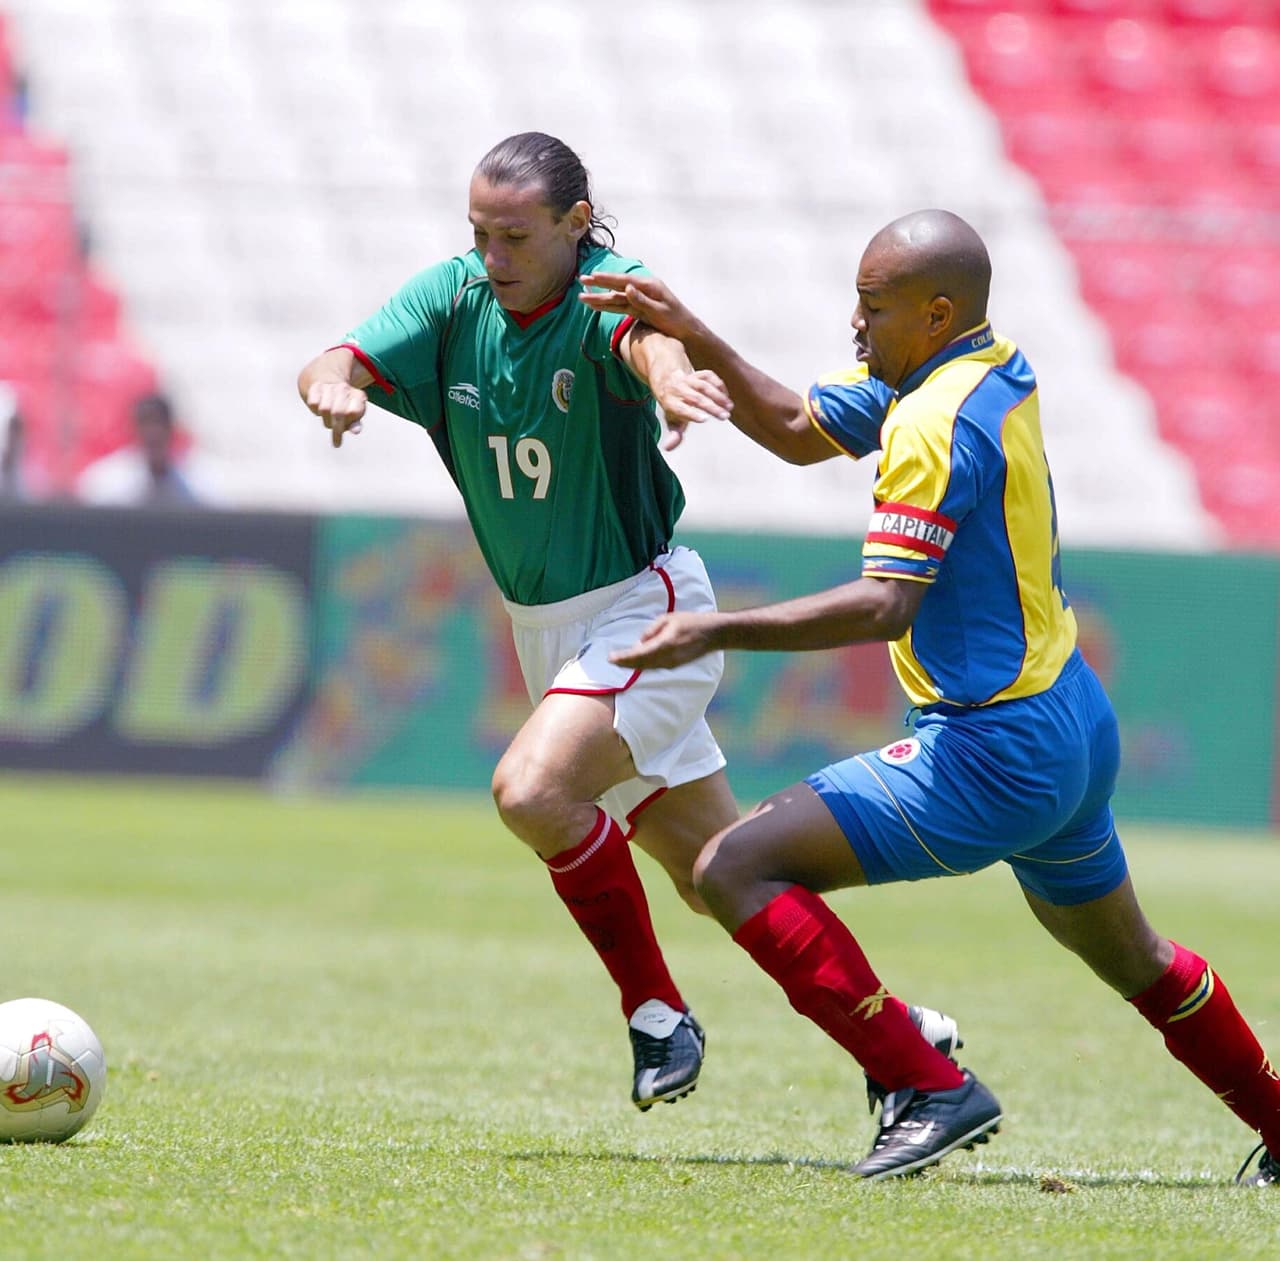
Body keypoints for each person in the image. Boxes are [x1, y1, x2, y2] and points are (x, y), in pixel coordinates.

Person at [579, 209, 1280, 1183]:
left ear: (935, 310)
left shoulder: (927, 422)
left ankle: (925, 1085)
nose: (853, 324)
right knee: (1135, 957)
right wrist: (692, 331)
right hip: (1069, 720)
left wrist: (716, 628)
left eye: (872, 306)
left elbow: (882, 603)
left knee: (731, 867)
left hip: (991, 747)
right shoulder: (986, 367)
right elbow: (791, 428)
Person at [297, 132, 746, 1111]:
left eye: (514, 236)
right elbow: (340, 354)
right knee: (723, 870)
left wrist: (669, 378)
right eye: (479, 234)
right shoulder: (456, 298)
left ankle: (655, 1014)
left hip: (641, 606)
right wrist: (331, 381)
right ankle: (902, 1035)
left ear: (574, 225)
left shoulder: (603, 288)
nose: (492, 256)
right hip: (548, 635)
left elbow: (645, 336)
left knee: (530, 791)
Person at [76, 390, 219, 507]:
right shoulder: (108, 477)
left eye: (158, 423)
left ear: (170, 428)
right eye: (145, 424)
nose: (152, 433)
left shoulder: (196, 476)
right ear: (133, 428)